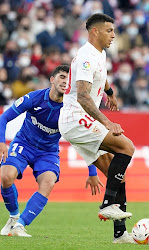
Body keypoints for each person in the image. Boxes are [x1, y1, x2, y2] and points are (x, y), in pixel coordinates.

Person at [58, 13, 135, 243]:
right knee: (126, 147)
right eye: (109, 30)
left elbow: (101, 78)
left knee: (116, 174)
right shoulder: (86, 56)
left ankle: (120, 234)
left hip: (77, 120)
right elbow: (82, 96)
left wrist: (109, 93)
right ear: (95, 31)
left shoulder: (99, 54)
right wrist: (107, 121)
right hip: (75, 117)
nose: (113, 35)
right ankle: (107, 204)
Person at [0, 65, 70, 237]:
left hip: (48, 152)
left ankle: (20, 225)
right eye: (62, 76)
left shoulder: (71, 109)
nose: (65, 81)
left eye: (69, 79)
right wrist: (2, 143)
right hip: (24, 144)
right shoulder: (35, 97)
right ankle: (14, 215)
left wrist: (92, 171)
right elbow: (4, 118)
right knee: (6, 176)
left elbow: (82, 141)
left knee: (48, 182)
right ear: (52, 80)